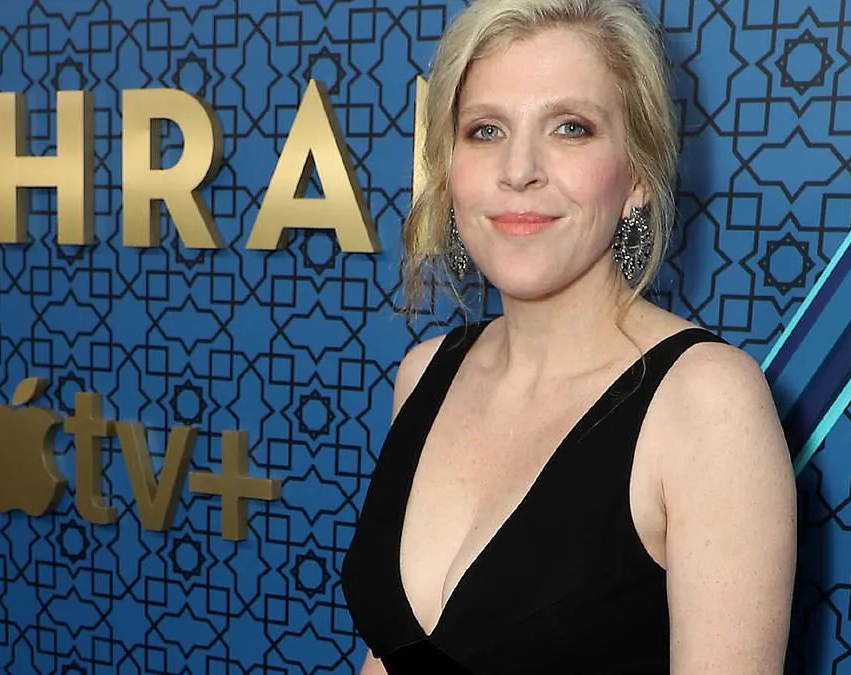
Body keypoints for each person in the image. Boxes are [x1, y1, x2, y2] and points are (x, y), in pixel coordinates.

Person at [340, 0, 796, 672]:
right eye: (486, 130)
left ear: (637, 175)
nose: (518, 168)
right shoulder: (424, 372)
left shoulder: (705, 401)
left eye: (570, 128)